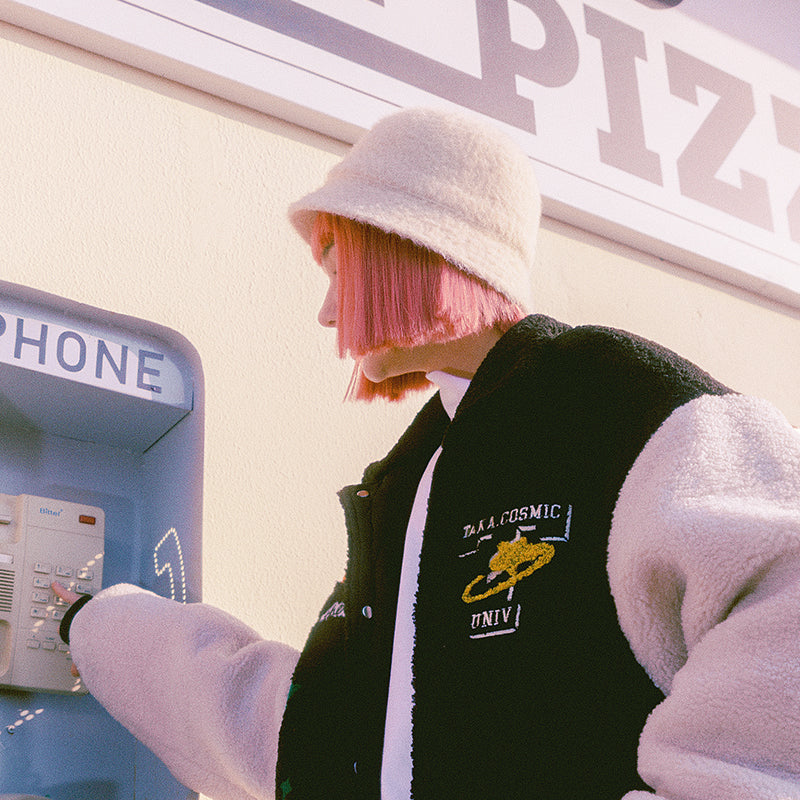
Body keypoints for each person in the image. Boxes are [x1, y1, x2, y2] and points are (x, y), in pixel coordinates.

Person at [54, 107, 800, 800]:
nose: (326, 311)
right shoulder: (417, 479)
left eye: (336, 265)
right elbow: (321, 732)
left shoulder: (608, 400)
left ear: (406, 242)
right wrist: (96, 623)